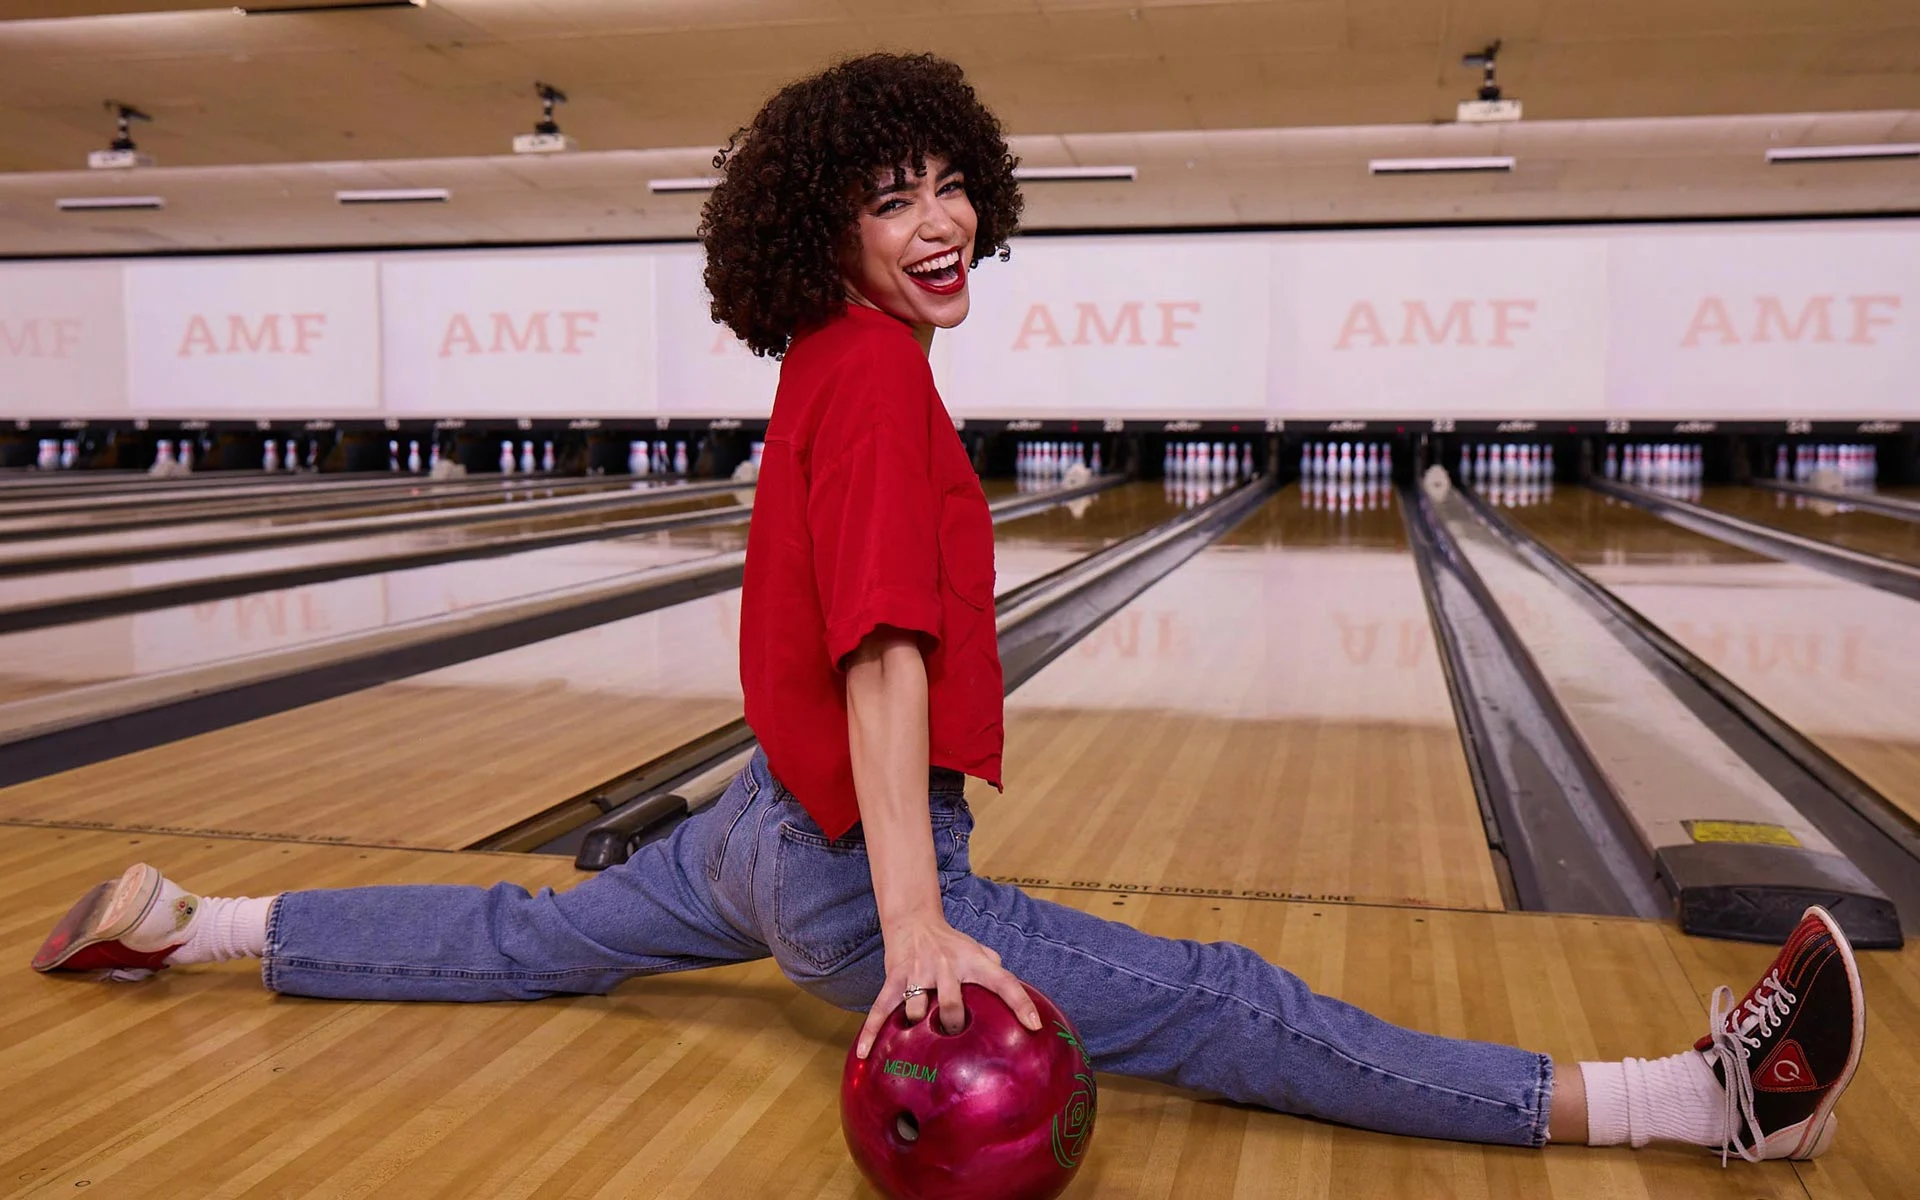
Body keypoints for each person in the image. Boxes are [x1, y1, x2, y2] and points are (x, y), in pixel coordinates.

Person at [34, 52, 1863, 1166]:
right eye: (887, 198)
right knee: (1226, 1005)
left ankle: (200, 922)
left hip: (754, 828)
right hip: (844, 867)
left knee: (524, 934)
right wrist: (914, 921)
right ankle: (1694, 1105)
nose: (939, 221)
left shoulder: (826, 367)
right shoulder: (884, 386)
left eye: (949, 186)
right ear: (810, 235)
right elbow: (883, 647)